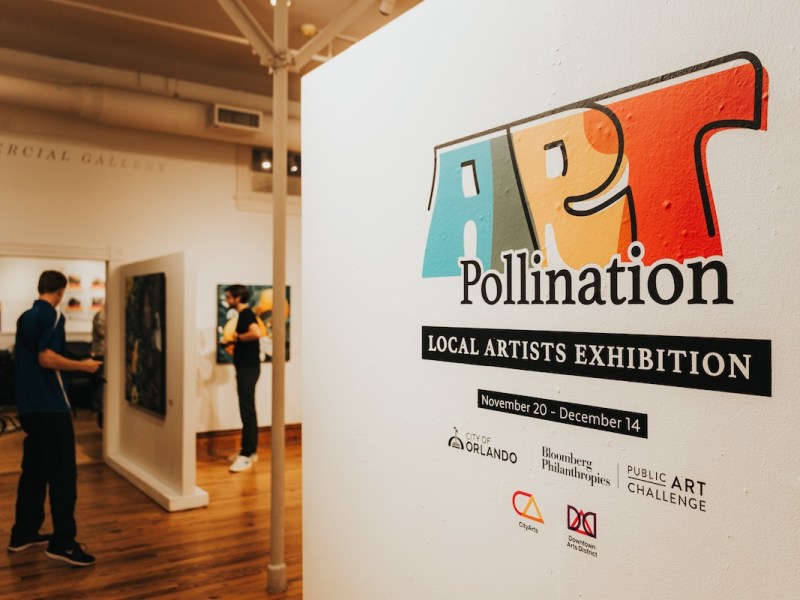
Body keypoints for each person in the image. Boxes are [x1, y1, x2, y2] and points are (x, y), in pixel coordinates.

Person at [8, 270, 102, 567]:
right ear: (61, 291)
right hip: (51, 408)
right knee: (63, 475)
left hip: (29, 409)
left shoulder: (26, 317)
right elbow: (46, 358)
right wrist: (85, 366)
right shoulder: (53, 315)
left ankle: (23, 534)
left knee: (34, 472)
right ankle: (62, 543)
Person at [223, 285, 262, 473]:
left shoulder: (246, 314)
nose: (227, 300)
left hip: (248, 368)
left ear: (238, 298)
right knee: (248, 408)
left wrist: (237, 338)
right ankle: (250, 451)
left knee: (246, 409)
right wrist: (233, 341)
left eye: (229, 297)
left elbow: (256, 333)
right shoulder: (244, 315)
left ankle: (246, 454)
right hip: (247, 367)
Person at [90, 307, 106, 428]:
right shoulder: (101, 315)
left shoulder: (103, 315)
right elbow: (103, 332)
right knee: (100, 385)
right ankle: (100, 413)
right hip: (100, 353)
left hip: (103, 353)